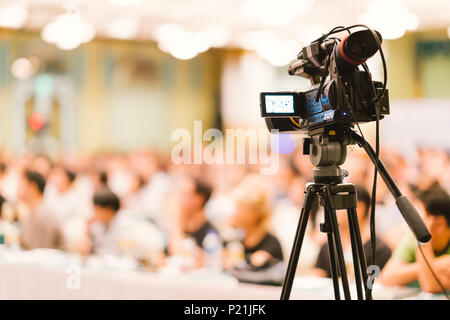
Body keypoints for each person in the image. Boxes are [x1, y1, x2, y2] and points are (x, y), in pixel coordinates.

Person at [310, 185, 392, 278]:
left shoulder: (379, 250)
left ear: (359, 208)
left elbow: (376, 284)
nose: (334, 211)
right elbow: (317, 275)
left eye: (339, 205)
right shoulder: (328, 246)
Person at [381, 195, 450, 293]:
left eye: (417, 216)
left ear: (439, 224)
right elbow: (388, 277)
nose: (412, 222)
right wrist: (434, 264)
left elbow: (430, 286)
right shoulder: (412, 238)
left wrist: (424, 243)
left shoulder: (420, 240)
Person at [229, 175, 284, 271]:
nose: (235, 214)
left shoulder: (271, 244)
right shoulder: (236, 238)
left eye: (240, 210)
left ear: (253, 215)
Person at [18, 170, 65, 250]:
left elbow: (42, 251)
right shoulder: (30, 212)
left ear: (32, 187)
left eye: (22, 185)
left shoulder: (45, 215)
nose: (18, 189)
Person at [176, 176, 218, 250]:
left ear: (199, 199)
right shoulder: (183, 225)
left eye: (185, 194)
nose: (180, 198)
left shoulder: (210, 235)